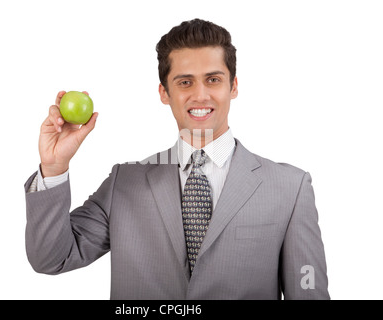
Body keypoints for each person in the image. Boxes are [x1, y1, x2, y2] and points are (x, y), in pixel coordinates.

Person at [24, 18, 329, 300]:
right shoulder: (123, 184)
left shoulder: (290, 187)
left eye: (213, 80)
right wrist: (54, 168)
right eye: (185, 82)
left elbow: (308, 290)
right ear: (164, 92)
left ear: (233, 86)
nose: (200, 95)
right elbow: (53, 258)